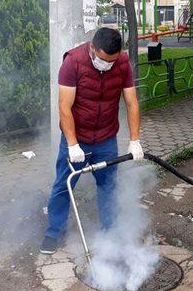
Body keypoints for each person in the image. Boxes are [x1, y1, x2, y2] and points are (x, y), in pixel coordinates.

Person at [40, 28, 143, 254]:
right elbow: (64, 107)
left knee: (108, 186)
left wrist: (135, 140)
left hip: (106, 138)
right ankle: (53, 232)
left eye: (112, 61)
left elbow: (132, 102)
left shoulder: (122, 63)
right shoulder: (73, 62)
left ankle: (110, 232)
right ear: (92, 49)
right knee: (63, 185)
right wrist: (72, 144)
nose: (108, 65)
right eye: (104, 60)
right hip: (78, 138)